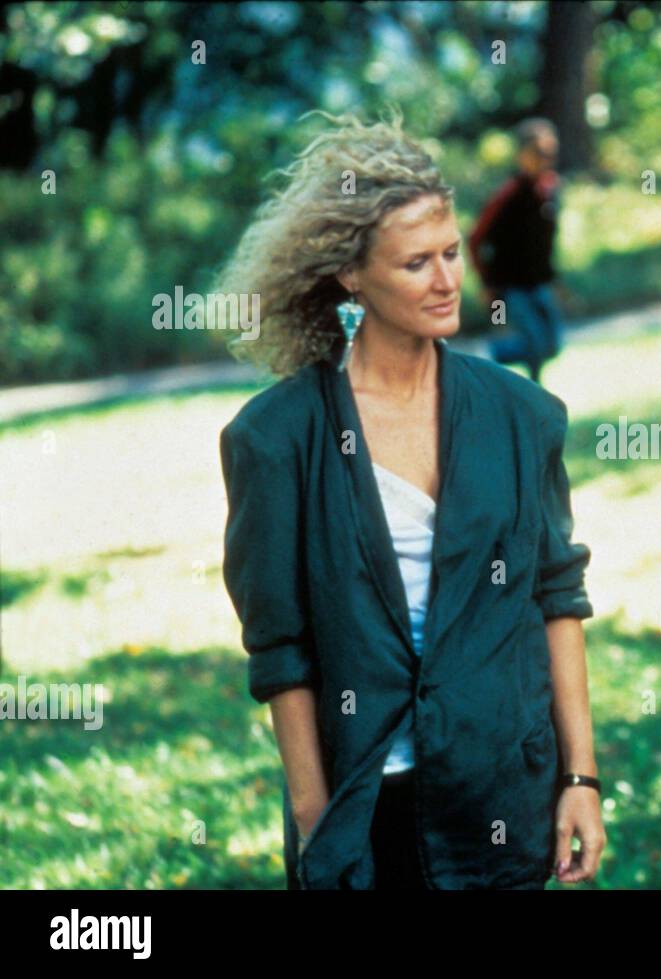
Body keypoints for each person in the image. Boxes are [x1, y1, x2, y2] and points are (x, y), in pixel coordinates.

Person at [215, 111, 605, 889]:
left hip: (503, 788)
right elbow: (279, 647)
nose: (447, 279)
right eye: (415, 263)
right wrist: (314, 816)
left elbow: (555, 596)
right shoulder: (276, 437)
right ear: (351, 276)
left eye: (452, 253)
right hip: (365, 803)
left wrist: (581, 779)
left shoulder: (522, 416)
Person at [469, 117, 566, 384]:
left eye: (551, 153)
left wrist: (555, 280)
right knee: (534, 342)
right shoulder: (508, 195)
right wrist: (487, 283)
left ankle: (491, 354)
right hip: (510, 286)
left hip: (539, 283)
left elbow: (546, 244)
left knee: (553, 343)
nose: (547, 159)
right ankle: (536, 395)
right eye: (539, 153)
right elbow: (476, 239)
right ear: (523, 155)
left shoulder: (550, 190)